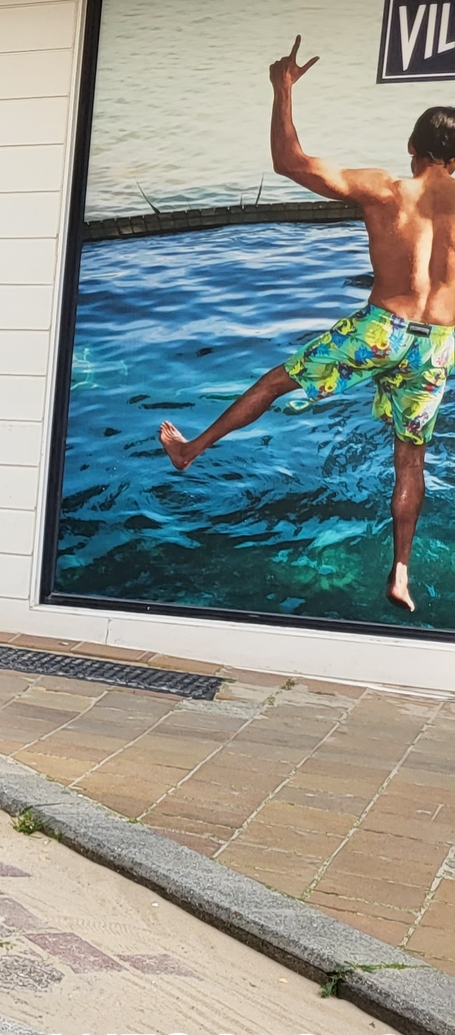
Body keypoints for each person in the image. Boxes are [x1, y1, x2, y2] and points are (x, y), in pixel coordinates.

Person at [160, 38, 450, 612]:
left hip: (379, 330)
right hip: (437, 347)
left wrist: (283, 89)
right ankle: (399, 572)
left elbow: (289, 162)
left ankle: (191, 451)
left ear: (412, 146)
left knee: (273, 383)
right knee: (410, 459)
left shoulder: (387, 189)